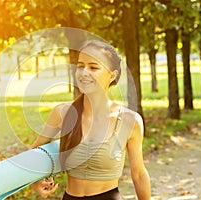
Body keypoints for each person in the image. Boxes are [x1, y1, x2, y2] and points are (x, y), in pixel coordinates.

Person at [30, 40, 151, 199]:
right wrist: (35, 182)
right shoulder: (63, 113)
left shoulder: (129, 120)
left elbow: (139, 174)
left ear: (112, 75)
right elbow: (34, 153)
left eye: (93, 67)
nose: (84, 72)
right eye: (81, 66)